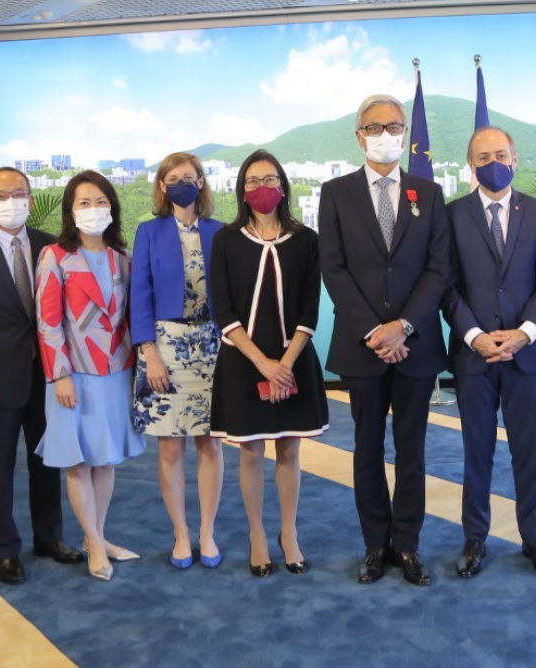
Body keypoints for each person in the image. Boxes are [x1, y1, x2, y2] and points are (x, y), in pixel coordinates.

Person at [319, 93, 451, 586]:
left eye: (394, 126)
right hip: (363, 345)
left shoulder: (428, 193)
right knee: (367, 448)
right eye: (374, 127)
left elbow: (439, 268)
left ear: (406, 133)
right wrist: (376, 330)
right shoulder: (336, 192)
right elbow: (333, 267)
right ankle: (375, 545)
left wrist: (406, 326)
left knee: (412, 450)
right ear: (359, 136)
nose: (385, 135)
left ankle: (408, 545)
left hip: (415, 344)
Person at [0, 167, 83, 585]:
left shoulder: (50, 247)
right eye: (2, 196)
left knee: (47, 462)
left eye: (20, 193)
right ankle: (4, 550)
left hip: (47, 378)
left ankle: (49, 538)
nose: (13, 202)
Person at [443, 127, 536, 578]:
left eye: (500, 153)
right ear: (470, 164)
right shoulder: (452, 216)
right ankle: (475, 540)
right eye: (482, 155)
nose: (492, 161)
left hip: (525, 354)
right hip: (474, 355)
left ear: (514, 158)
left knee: (526, 450)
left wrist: (524, 333)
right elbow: (447, 285)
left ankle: (534, 538)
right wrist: (475, 335)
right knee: (477, 451)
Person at [210, 150, 330, 577]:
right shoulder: (225, 240)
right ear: (242, 188)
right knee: (250, 451)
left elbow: (310, 310)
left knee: (290, 449)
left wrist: (285, 363)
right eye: (253, 181)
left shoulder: (307, 239)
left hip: (293, 358)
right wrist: (263, 363)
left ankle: (289, 532)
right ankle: (257, 534)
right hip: (244, 361)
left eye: (271, 179)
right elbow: (222, 309)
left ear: (283, 185)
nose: (263, 188)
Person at [35, 171, 145, 581]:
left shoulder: (124, 256)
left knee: (105, 458)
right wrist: (59, 375)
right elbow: (47, 322)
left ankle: (96, 535)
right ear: (70, 210)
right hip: (73, 374)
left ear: (112, 207)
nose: (93, 210)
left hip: (117, 371)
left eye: (100, 202)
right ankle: (95, 543)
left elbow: (135, 315)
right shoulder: (55, 256)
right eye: (83, 203)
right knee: (78, 462)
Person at [129, 152, 226, 570]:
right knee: (170, 447)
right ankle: (181, 534)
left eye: (189, 176)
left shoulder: (221, 232)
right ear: (162, 186)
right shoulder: (148, 232)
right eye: (173, 177)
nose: (182, 182)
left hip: (214, 344)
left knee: (210, 443)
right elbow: (140, 295)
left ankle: (206, 532)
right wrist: (149, 353)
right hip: (165, 347)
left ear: (201, 182)